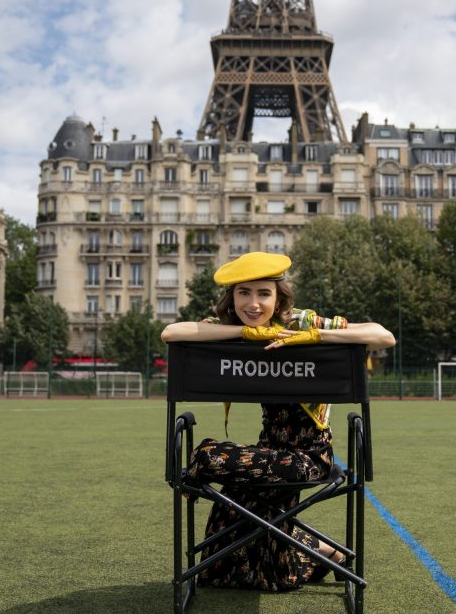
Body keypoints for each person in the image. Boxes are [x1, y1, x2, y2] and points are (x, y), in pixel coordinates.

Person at [161, 251, 395, 591]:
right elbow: (171, 332)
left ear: (278, 297)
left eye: (264, 293)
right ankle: (326, 551)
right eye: (244, 293)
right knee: (218, 568)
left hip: (309, 458)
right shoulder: (229, 326)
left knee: (208, 456)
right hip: (269, 452)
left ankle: (317, 551)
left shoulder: (301, 322)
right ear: (232, 297)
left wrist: (316, 337)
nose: (253, 303)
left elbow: (383, 335)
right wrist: (244, 333)